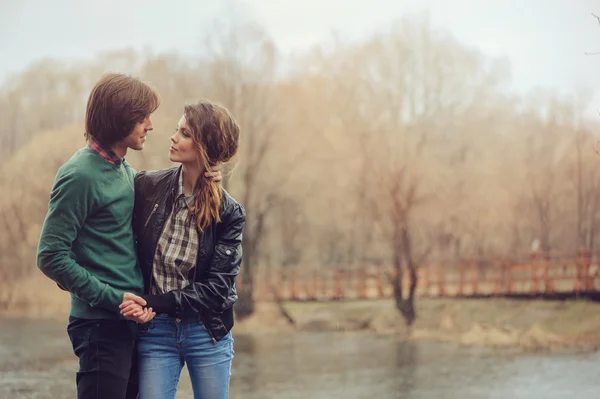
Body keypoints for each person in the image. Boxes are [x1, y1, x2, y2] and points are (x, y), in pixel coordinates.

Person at [36, 73, 221, 399]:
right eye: (141, 117)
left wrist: (206, 174)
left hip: (135, 321)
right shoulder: (79, 174)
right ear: (118, 119)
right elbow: (50, 255)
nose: (150, 125)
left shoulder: (124, 171)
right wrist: (114, 300)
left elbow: (170, 186)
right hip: (99, 326)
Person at [119, 100, 245, 399]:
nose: (173, 137)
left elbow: (216, 289)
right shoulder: (147, 186)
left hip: (208, 331)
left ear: (206, 146)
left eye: (185, 133)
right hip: (156, 332)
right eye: (177, 130)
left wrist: (151, 302)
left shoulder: (229, 213)